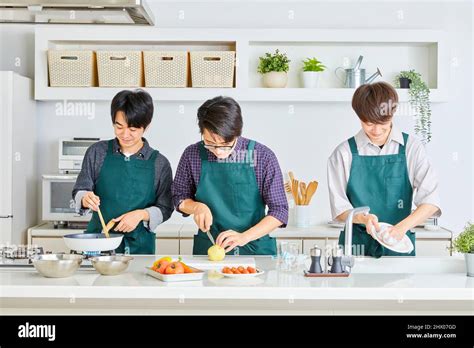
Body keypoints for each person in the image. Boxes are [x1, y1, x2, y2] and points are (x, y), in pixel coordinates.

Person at [327, 82, 441, 257]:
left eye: (383, 123)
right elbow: (340, 209)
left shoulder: (411, 148)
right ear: (359, 117)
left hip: (399, 245)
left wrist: (402, 228)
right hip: (356, 248)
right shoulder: (343, 154)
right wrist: (364, 219)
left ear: (393, 114)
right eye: (369, 123)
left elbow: (431, 201)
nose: (377, 130)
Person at [172, 96, 288, 255]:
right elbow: (178, 197)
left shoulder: (262, 156)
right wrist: (196, 207)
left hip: (254, 249)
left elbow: (280, 211)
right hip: (209, 248)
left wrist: (244, 237)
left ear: (237, 133)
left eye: (226, 145)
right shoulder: (192, 155)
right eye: (210, 143)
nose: (218, 152)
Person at [72, 89, 173, 254]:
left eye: (133, 129)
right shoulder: (97, 152)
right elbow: (81, 189)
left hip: (138, 247)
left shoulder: (159, 163)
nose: (125, 134)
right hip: (98, 245)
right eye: (119, 127)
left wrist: (141, 214)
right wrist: (84, 197)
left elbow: (166, 207)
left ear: (146, 126)